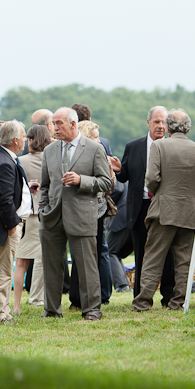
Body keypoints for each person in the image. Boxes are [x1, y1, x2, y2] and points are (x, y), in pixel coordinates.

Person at [39, 107, 114, 320]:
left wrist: (82, 180)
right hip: (52, 216)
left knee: (87, 267)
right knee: (52, 267)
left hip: (82, 215)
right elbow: (45, 185)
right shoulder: (49, 150)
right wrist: (44, 209)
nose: (55, 128)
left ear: (73, 124)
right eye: (53, 123)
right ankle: (52, 310)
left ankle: (91, 310)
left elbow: (106, 182)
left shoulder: (94, 148)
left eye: (59, 123)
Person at [132, 110, 195, 312]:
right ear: (188, 128)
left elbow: (151, 178)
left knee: (153, 257)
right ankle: (178, 302)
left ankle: (143, 302)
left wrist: (160, 193)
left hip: (163, 209)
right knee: (184, 261)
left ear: (169, 126)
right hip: (190, 210)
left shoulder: (159, 145)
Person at [112, 106, 176, 305]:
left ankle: (168, 296)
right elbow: (126, 175)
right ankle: (140, 296)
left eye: (164, 122)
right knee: (141, 253)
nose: (160, 126)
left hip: (164, 207)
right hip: (140, 208)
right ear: (148, 123)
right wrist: (117, 170)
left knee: (167, 253)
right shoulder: (134, 146)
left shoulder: (173, 146)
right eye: (156, 122)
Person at [0, 120, 29, 324]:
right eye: (24, 136)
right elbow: (4, 200)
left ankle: (2, 310)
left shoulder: (2, 156)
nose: (25, 140)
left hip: (5, 225)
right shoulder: (4, 161)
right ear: (15, 140)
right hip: (5, 227)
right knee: (3, 271)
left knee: (2, 270)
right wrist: (12, 225)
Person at [69, 120, 114, 307]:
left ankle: (99, 294)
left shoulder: (99, 153)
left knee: (97, 251)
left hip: (98, 209)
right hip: (80, 208)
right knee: (84, 253)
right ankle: (81, 296)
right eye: (95, 136)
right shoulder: (79, 155)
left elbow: (110, 185)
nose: (99, 140)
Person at [13, 124, 51, 313]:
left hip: (28, 215)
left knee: (21, 261)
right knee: (44, 259)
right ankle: (39, 297)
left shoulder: (21, 161)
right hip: (48, 213)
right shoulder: (52, 159)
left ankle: (16, 304)